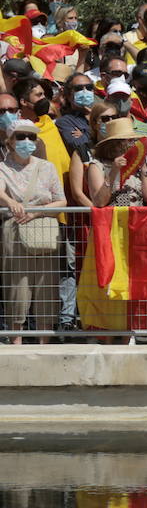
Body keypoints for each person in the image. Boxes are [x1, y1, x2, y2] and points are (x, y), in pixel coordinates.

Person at [0, 120, 65, 343]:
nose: (27, 141)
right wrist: (10, 201)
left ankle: (44, 342)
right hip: (15, 230)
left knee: (46, 285)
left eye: (31, 137)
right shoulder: (2, 167)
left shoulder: (46, 167)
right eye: (20, 136)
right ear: (9, 141)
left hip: (43, 229)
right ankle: (16, 340)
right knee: (17, 286)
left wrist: (36, 212)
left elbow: (61, 201)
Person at [86, 117, 147, 208]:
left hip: (137, 218)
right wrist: (113, 172)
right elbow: (100, 202)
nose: (133, 144)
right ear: (116, 143)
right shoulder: (97, 166)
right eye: (130, 140)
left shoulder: (136, 165)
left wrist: (143, 168)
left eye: (134, 140)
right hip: (113, 220)